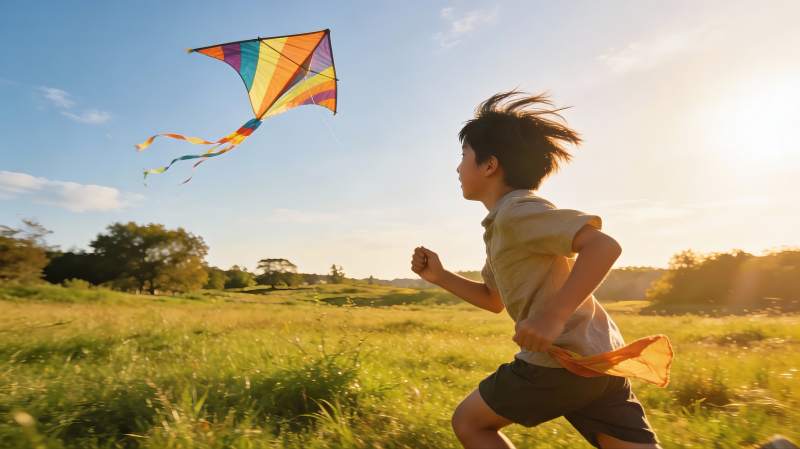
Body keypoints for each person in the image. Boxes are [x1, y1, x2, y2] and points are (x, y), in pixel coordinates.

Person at [410, 91, 661, 449]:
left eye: (463, 156)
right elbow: (494, 299)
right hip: (597, 360)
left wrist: (552, 319)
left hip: (557, 364)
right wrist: (440, 276)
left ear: (489, 165)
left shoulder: (517, 212)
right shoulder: (501, 224)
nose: (457, 167)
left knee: (470, 423)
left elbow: (604, 246)